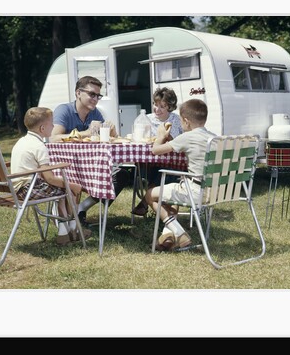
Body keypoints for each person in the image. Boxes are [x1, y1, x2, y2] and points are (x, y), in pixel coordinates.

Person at [50, 75, 130, 225]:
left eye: (98, 95)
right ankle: (66, 213)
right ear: (78, 93)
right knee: (111, 177)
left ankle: (81, 208)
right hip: (66, 167)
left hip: (89, 165)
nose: (95, 99)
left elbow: (107, 139)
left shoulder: (95, 113)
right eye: (92, 94)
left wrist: (112, 132)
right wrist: (84, 133)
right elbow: (53, 138)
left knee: (122, 176)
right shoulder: (64, 110)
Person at [11, 107, 91, 246]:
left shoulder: (22, 141)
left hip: (16, 188)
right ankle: (74, 230)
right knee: (69, 190)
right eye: (51, 123)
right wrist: (73, 185)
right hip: (29, 190)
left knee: (61, 191)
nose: (54, 126)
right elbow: (50, 178)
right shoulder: (39, 146)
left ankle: (64, 232)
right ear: (42, 128)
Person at [144, 99, 217, 251]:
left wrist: (160, 135)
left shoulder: (188, 136)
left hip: (197, 192)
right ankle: (169, 234)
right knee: (174, 187)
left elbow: (155, 150)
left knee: (150, 195)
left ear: (186, 121)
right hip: (217, 191)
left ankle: (178, 232)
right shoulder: (214, 138)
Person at [132, 87, 183, 216]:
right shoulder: (146, 118)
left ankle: (146, 201)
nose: (157, 109)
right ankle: (162, 209)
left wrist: (168, 138)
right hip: (149, 162)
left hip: (173, 162)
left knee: (166, 170)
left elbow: (181, 141)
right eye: (155, 104)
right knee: (156, 170)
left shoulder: (177, 120)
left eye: (162, 106)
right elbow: (139, 138)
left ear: (170, 107)